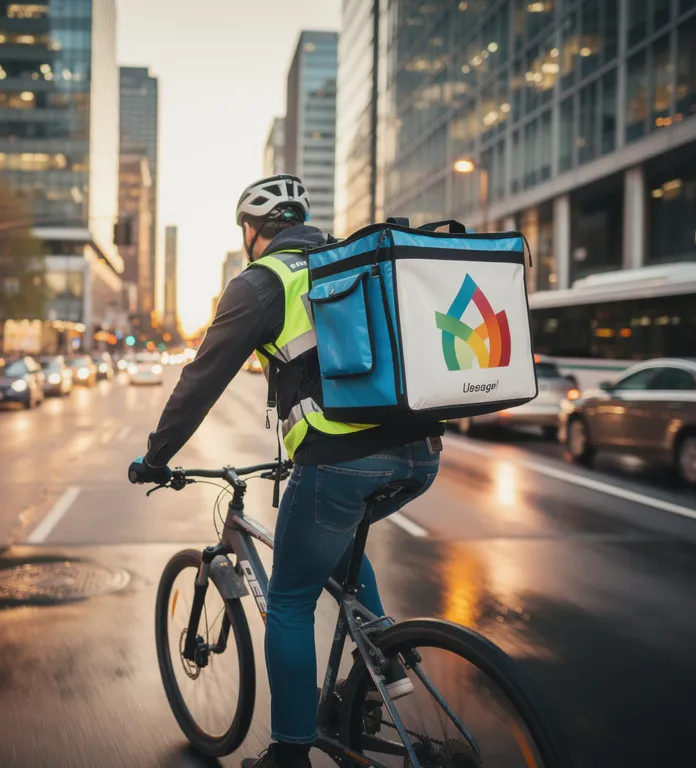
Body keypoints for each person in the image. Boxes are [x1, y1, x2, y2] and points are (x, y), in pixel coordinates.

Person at [128, 175, 444, 768]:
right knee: (342, 538)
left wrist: (156, 458)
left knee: (292, 601)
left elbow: (202, 380)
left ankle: (289, 752)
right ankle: (387, 662)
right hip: (422, 450)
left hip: (344, 460)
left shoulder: (261, 283)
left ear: (253, 231)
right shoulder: (349, 261)